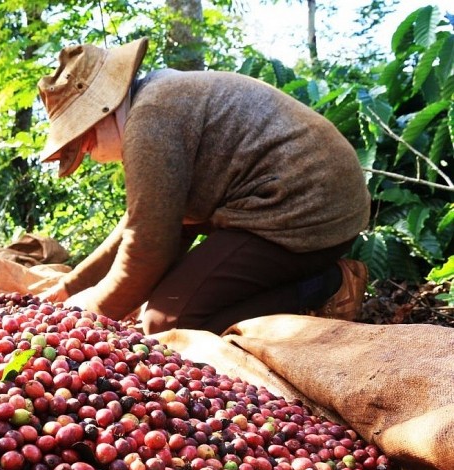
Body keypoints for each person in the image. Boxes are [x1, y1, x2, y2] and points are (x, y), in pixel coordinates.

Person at [36, 38, 371, 335]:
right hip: (292, 202)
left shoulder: (151, 120)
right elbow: (139, 224)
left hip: (304, 211)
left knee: (169, 322)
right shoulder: (153, 102)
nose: (89, 154)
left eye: (83, 141)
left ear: (103, 110)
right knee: (158, 301)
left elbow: (147, 250)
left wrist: (86, 317)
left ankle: (325, 286)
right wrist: (69, 289)